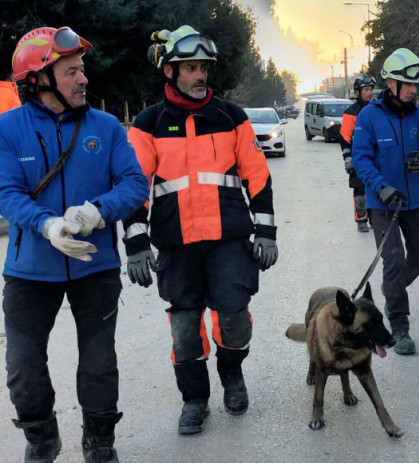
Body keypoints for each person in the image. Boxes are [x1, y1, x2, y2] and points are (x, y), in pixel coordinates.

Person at [0, 26, 149, 462]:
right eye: (71, 72)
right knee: (23, 369)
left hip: (94, 267)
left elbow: (135, 183)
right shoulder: (8, 128)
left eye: (81, 70)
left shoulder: (105, 127)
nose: (83, 79)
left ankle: (100, 443)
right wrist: (47, 226)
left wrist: (97, 212)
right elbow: (7, 193)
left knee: (99, 363)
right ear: (39, 80)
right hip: (29, 270)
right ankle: (41, 438)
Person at [124, 25, 278, 434]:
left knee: (234, 320)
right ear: (170, 72)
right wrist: (136, 241)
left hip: (228, 242)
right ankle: (194, 400)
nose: (199, 76)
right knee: (184, 329)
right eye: (190, 68)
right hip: (177, 245)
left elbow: (257, 176)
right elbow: (134, 185)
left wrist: (266, 232)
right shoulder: (148, 122)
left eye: (203, 68)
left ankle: (232, 376)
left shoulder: (231, 117)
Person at [352, 48, 419, 355]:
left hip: (415, 202)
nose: (415, 90)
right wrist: (382, 188)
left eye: (416, 85)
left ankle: (392, 292)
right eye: (409, 84)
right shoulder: (369, 117)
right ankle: (399, 325)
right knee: (394, 259)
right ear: (391, 84)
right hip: (383, 203)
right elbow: (361, 159)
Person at [339, 74, 376, 233]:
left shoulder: (377, 109)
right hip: (358, 158)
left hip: (376, 157)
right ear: (357, 92)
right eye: (366, 90)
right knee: (360, 190)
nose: (369, 93)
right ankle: (361, 219)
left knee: (375, 188)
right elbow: (344, 137)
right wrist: (348, 158)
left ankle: (376, 218)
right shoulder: (351, 112)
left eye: (371, 89)